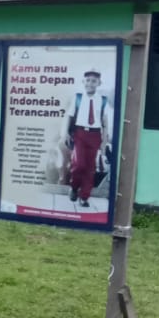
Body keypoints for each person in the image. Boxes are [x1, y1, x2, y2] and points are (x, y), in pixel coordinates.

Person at [63, 69, 110, 211]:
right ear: (83, 82)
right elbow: (69, 116)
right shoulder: (78, 98)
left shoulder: (102, 100)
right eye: (88, 80)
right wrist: (66, 133)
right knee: (79, 165)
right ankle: (74, 187)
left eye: (94, 81)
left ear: (99, 83)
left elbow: (105, 123)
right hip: (80, 133)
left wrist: (104, 142)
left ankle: (84, 197)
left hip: (95, 135)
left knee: (90, 168)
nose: (90, 83)